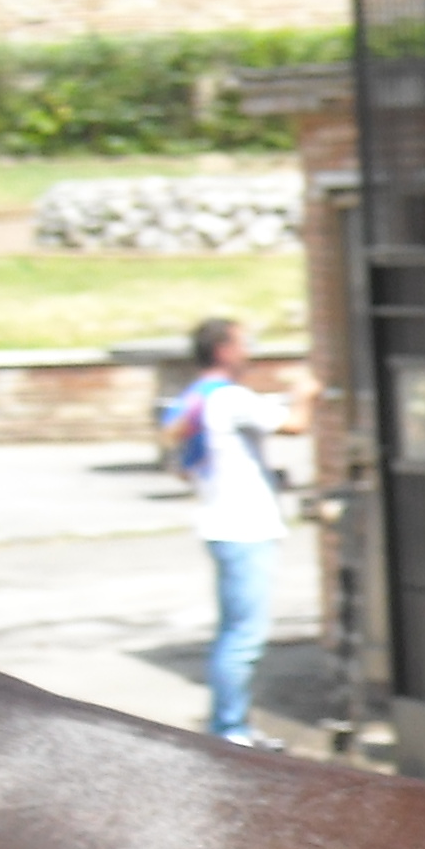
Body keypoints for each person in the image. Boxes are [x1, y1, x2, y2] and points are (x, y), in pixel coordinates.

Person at [168, 316, 315, 751]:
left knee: (233, 631)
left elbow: (182, 465)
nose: (249, 352)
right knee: (243, 638)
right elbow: (294, 424)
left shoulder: (194, 398)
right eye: (243, 343)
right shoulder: (231, 398)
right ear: (224, 350)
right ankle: (230, 730)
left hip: (218, 520)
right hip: (245, 527)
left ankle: (231, 724)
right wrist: (306, 394)